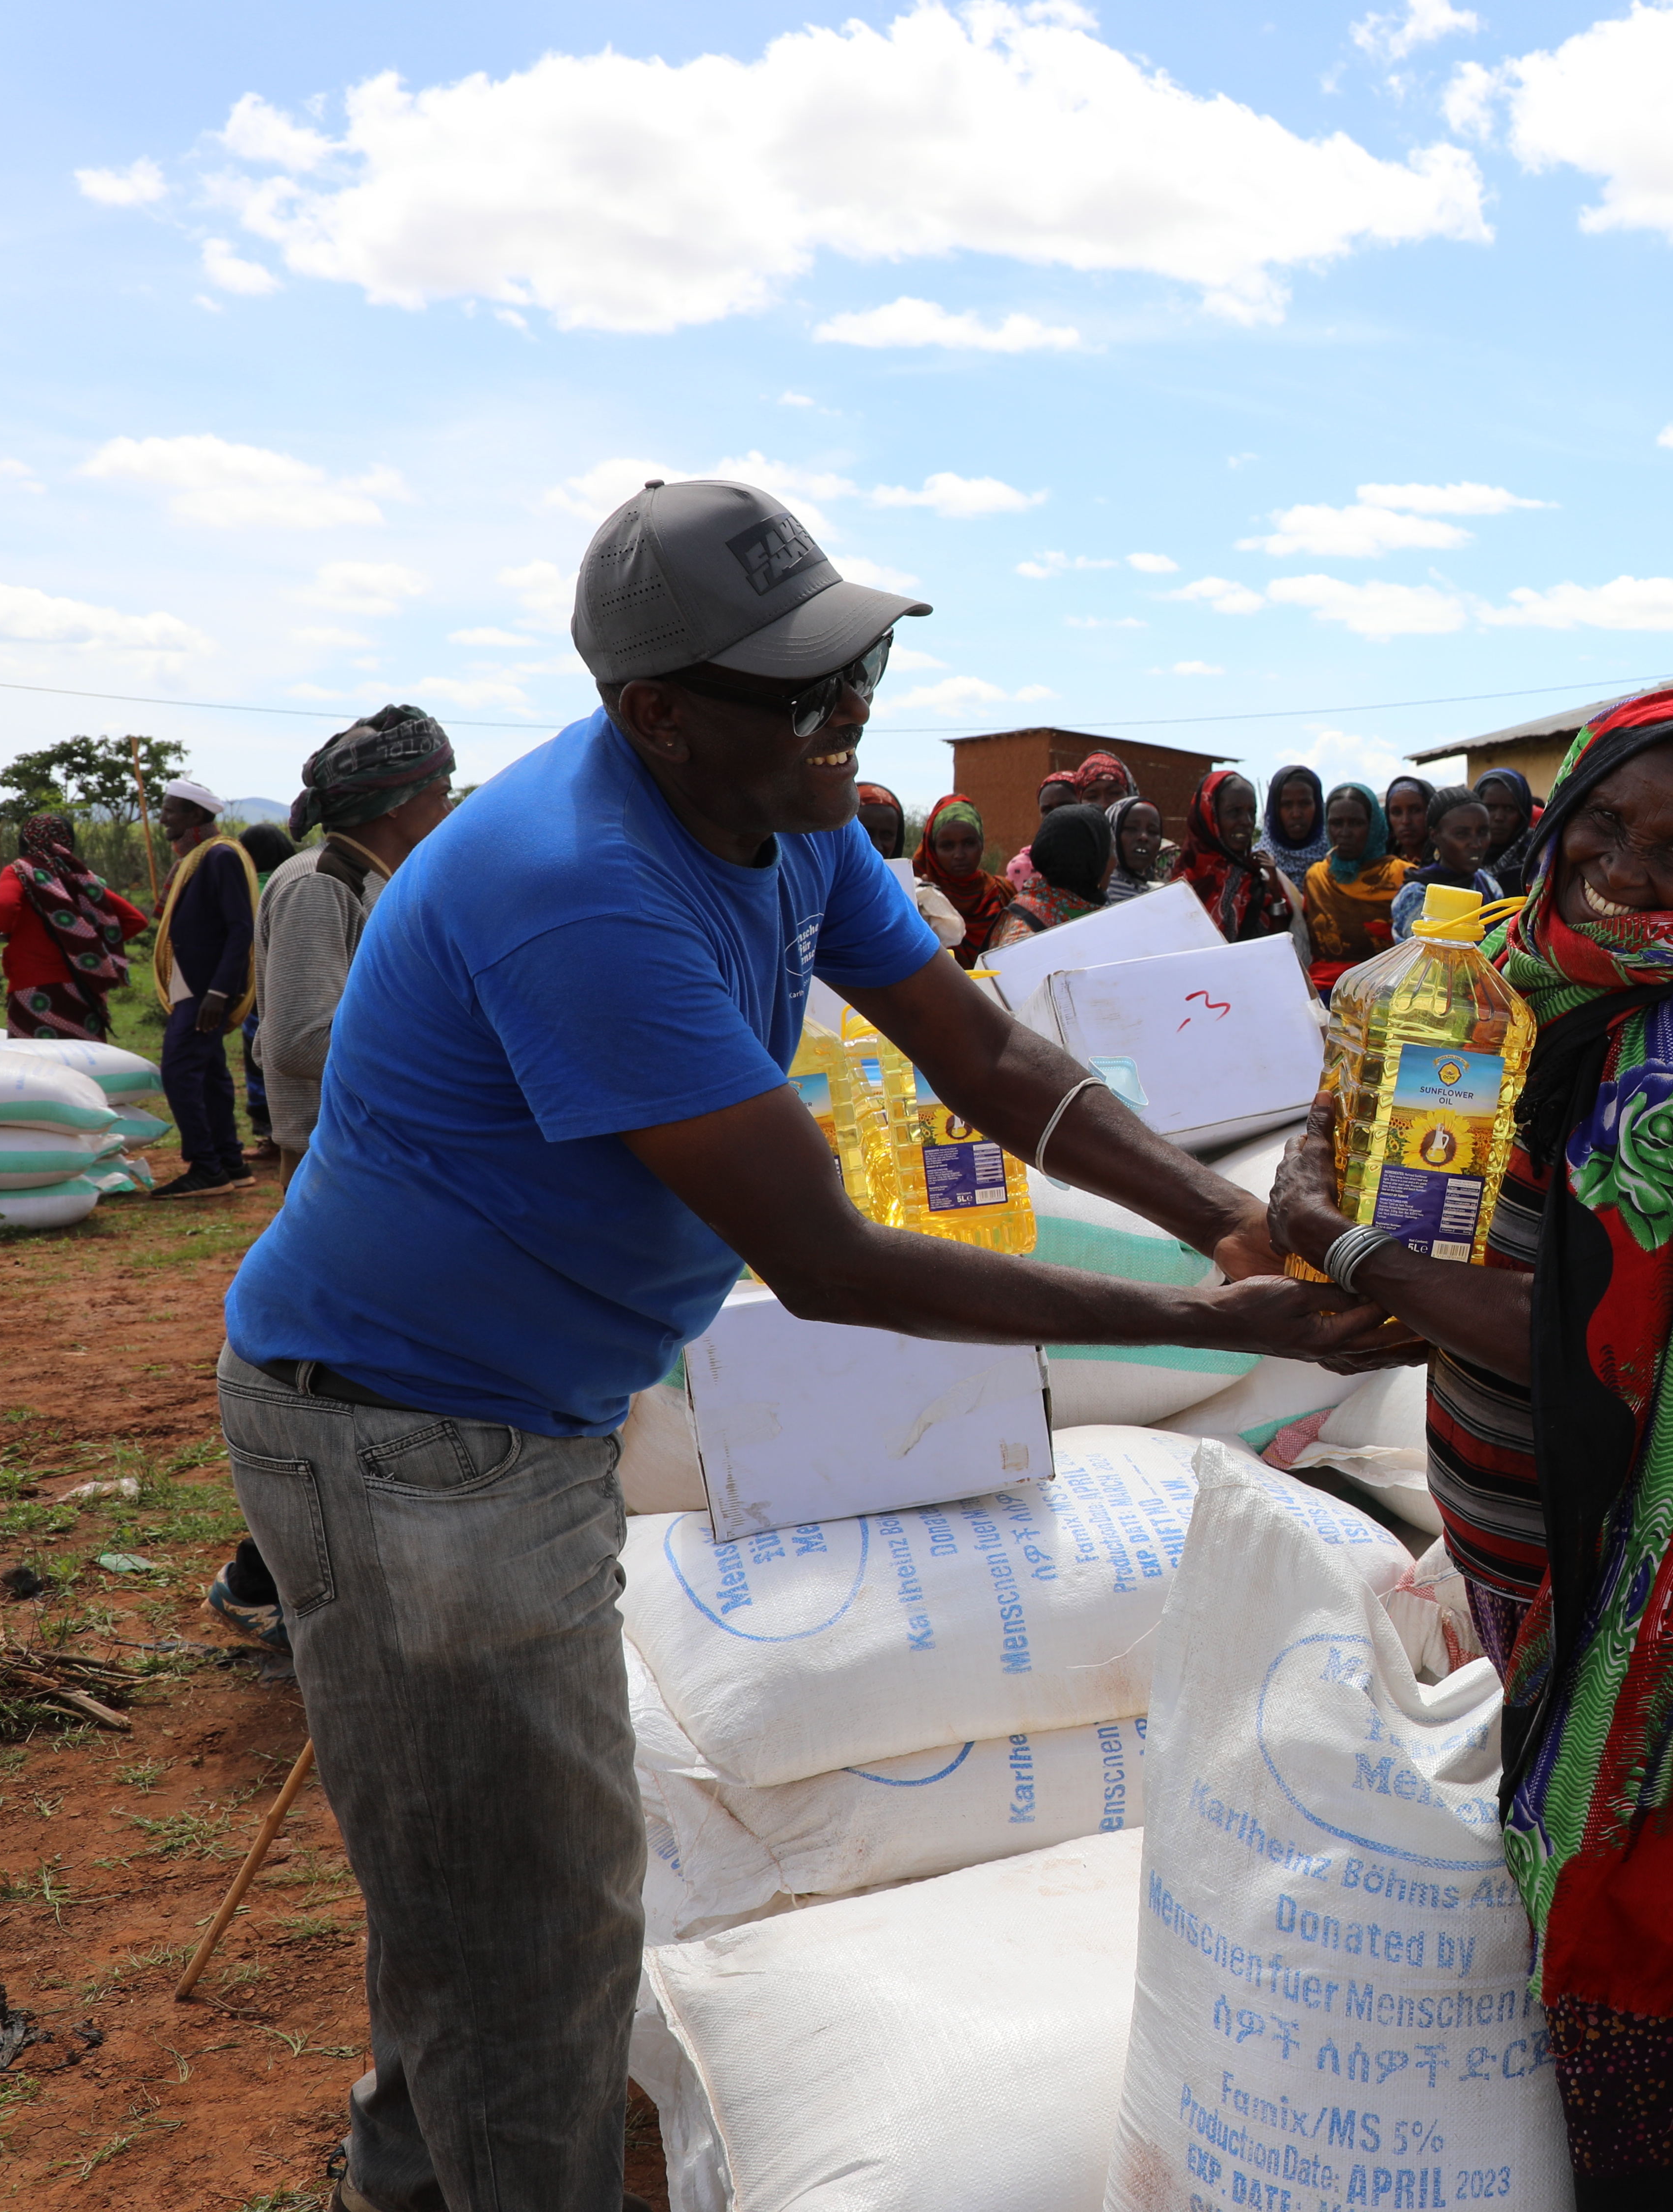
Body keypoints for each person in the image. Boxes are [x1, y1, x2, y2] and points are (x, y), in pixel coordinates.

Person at [217, 476, 1390, 2212]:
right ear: (657, 714)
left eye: (856, 672)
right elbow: (830, 1260)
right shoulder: (580, 891)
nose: (848, 716)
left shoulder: (790, 805)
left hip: (505, 1411)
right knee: (536, 1915)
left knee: (480, 1871)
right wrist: (1213, 1326)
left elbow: (983, 1060)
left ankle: (404, 2177)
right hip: (410, 1436)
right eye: (801, 688)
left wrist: (1218, 1217)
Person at [1266, 687, 1673, 2211]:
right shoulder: (1477, 974)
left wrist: (1348, 1245)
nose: (1626, 866)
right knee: (1537, 1800)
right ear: (1555, 804)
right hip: (1504, 1498)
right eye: (1605, 818)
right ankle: (1543, 2112)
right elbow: (1357, 1144)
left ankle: (1670, 2142)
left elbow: (1580, 1331)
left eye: (1672, 845)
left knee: (1611, 1838)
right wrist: (1321, 1164)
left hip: (1647, 1520)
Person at [256, 708, 455, 1160]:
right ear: (395, 802)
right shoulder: (320, 884)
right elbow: (298, 1043)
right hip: (343, 1158)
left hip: (382, 1148)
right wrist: (448, 1056)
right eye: (442, 794)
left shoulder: (380, 880)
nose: (451, 811)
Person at [148, 777, 260, 1198]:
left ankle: (205, 1166)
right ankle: (230, 1163)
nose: (163, 820)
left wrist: (218, 992)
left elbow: (240, 928)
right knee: (211, 1076)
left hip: (206, 992)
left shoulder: (219, 857)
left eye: (171, 811)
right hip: (193, 987)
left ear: (196, 815)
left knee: (178, 1072)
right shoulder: (200, 857)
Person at [0, 814, 149, 1041]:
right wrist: (85, 943)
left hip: (33, 990)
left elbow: (4, 906)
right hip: (84, 991)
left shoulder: (20, 871)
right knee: (85, 1065)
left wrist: (3, 931)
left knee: (37, 1067)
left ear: (27, 840)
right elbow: (136, 920)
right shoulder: (82, 879)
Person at [1291, 781, 1408, 994]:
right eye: (1336, 823)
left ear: (1373, 827)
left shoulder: (1403, 876)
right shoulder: (1316, 877)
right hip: (1323, 991)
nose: (1345, 833)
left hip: (1385, 992)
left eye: (1356, 823)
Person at [1175, 769, 1295, 944]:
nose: (1246, 821)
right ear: (1210, 815)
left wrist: (1275, 892)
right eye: (1234, 812)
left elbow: (1280, 947)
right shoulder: (1183, 882)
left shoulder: (1259, 877)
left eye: (1251, 812)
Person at [239, 821, 299, 1160]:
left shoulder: (250, 888)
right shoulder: (301, 876)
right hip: (297, 984)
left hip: (258, 988)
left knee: (261, 1060)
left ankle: (271, 1136)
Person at [856, 782, 967, 951]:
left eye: (887, 835)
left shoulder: (916, 893)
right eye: (866, 832)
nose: (877, 846)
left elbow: (951, 935)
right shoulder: (817, 888)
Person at [1387, 783, 1504, 941]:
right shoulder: (1417, 895)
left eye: (1483, 832)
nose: (1476, 844)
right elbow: (1428, 958)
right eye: (1462, 834)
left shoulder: (1488, 885)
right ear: (1435, 836)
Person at [986, 802, 1110, 947]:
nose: (1115, 861)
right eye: (1109, 851)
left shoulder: (1102, 916)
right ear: (1091, 859)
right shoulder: (1024, 931)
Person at [914, 793, 1012, 966]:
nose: (959, 855)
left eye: (969, 843)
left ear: (981, 845)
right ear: (932, 850)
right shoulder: (919, 898)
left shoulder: (1003, 892)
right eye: (947, 846)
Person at [1261, 764, 1330, 885]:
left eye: (1305, 803)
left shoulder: (1338, 858)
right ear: (1275, 809)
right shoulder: (1259, 862)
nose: (1296, 814)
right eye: (1286, 805)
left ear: (1318, 806)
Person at [1476, 766, 1538, 896]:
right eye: (1490, 807)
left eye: (1509, 809)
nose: (1499, 817)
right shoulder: (1459, 854)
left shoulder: (1539, 859)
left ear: (1523, 813)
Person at [1103, 797, 1165, 901]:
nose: (1144, 837)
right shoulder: (1099, 897)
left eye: (1153, 831)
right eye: (1131, 828)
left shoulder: (1163, 895)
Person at [1383, 773, 1435, 869]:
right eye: (1396, 812)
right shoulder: (1381, 870)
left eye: (1416, 810)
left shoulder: (1453, 865)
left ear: (1432, 812)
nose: (1406, 821)